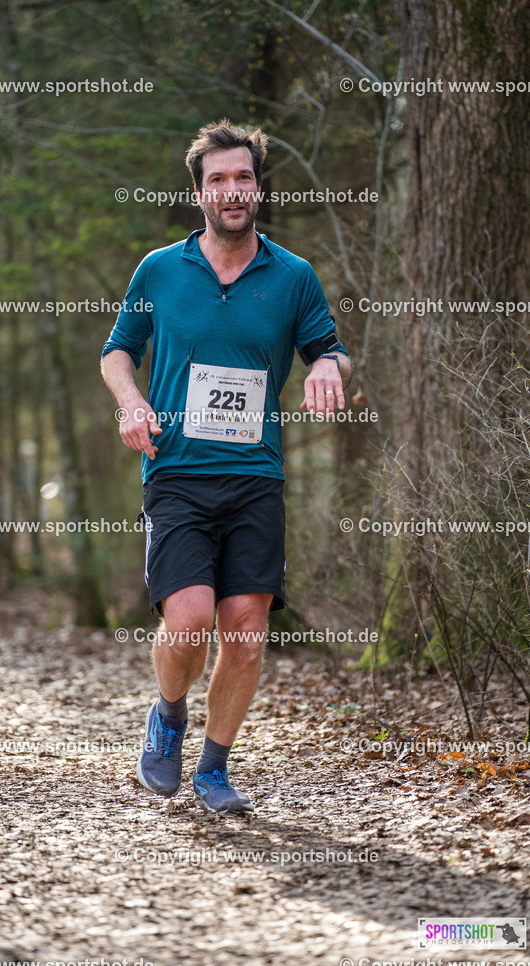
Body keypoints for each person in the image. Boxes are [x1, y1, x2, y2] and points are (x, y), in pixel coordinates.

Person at [101, 119, 351, 814]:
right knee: (186, 620)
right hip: (176, 470)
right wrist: (129, 402)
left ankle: (213, 769)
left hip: (255, 478)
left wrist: (328, 369)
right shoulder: (159, 269)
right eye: (218, 180)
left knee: (243, 633)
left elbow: (329, 348)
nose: (231, 190)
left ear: (258, 187)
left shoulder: (292, 276)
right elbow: (117, 350)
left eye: (242, 177)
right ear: (198, 192)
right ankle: (169, 716)